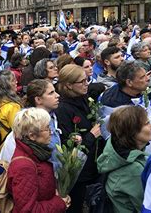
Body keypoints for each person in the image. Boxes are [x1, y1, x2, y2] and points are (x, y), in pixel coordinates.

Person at [54, 64, 104, 213]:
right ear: (69, 85)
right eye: (82, 81)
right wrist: (91, 136)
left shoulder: (82, 98)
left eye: (87, 79)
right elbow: (68, 146)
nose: (86, 83)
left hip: (92, 165)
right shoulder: (62, 108)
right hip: (79, 171)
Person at [7, 108, 70, 212]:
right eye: (47, 129)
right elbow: (28, 210)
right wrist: (59, 203)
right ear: (32, 136)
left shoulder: (37, 154)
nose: (51, 132)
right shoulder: (24, 166)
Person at [97, 106, 151, 213]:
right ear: (132, 131)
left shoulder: (115, 148)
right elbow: (146, 207)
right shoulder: (133, 169)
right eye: (146, 124)